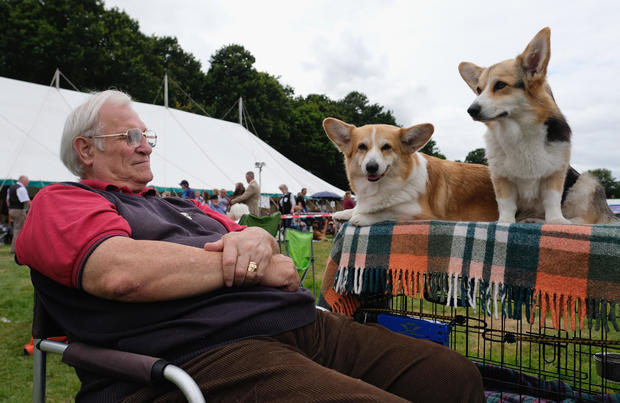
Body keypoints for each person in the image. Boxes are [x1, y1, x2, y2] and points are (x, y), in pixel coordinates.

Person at [16, 90, 484, 402]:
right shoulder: (65, 201)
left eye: (147, 137)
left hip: (301, 325)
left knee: (454, 377)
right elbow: (122, 273)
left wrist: (257, 241)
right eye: (133, 137)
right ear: (85, 150)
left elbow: (283, 269)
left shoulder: (188, 206)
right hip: (203, 351)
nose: (146, 147)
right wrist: (239, 261)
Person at [7, 175, 30, 254]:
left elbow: (7, 200)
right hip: (19, 210)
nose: (28, 183)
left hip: (11, 210)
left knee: (16, 229)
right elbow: (26, 200)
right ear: (22, 180)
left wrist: (10, 207)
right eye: (27, 181)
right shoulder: (21, 188)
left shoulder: (11, 188)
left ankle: (15, 248)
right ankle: (15, 249)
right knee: (19, 230)